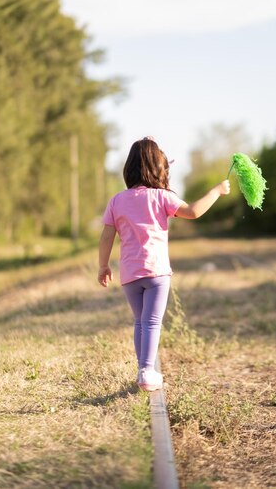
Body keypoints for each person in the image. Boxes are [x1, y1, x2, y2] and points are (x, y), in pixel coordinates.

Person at [98, 137, 230, 391]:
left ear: (129, 168)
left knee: (140, 321)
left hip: (130, 273)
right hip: (157, 271)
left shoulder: (117, 200)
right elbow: (193, 212)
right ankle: (147, 372)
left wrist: (103, 265)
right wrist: (216, 191)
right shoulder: (162, 197)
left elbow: (106, 236)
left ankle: (143, 369)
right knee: (151, 322)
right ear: (159, 168)